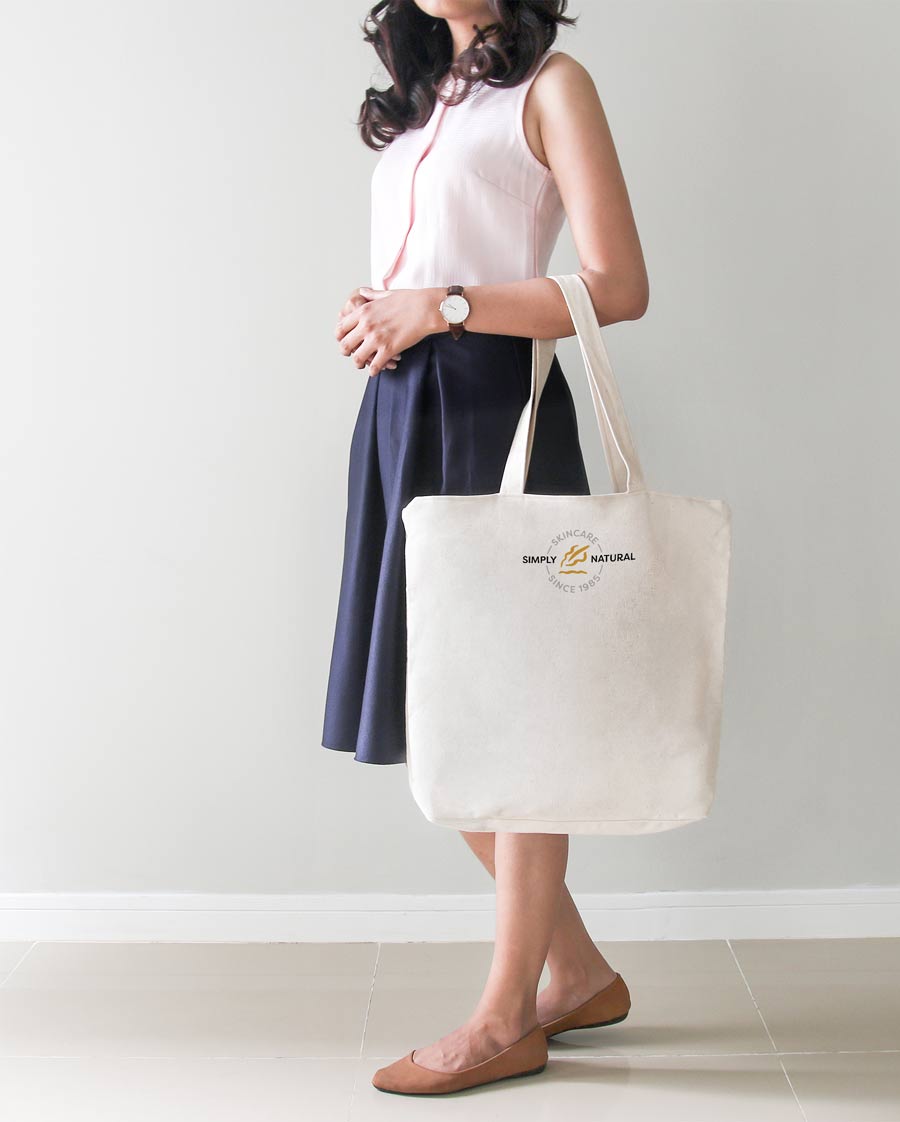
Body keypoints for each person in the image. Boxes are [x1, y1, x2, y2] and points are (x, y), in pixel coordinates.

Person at [322, 0, 648, 1095]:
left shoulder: (553, 87)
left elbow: (617, 286)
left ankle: (508, 1016)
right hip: (400, 415)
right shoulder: (421, 97)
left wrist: (443, 306)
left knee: (511, 717)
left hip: (494, 409)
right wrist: (386, 312)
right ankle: (576, 972)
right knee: (436, 716)